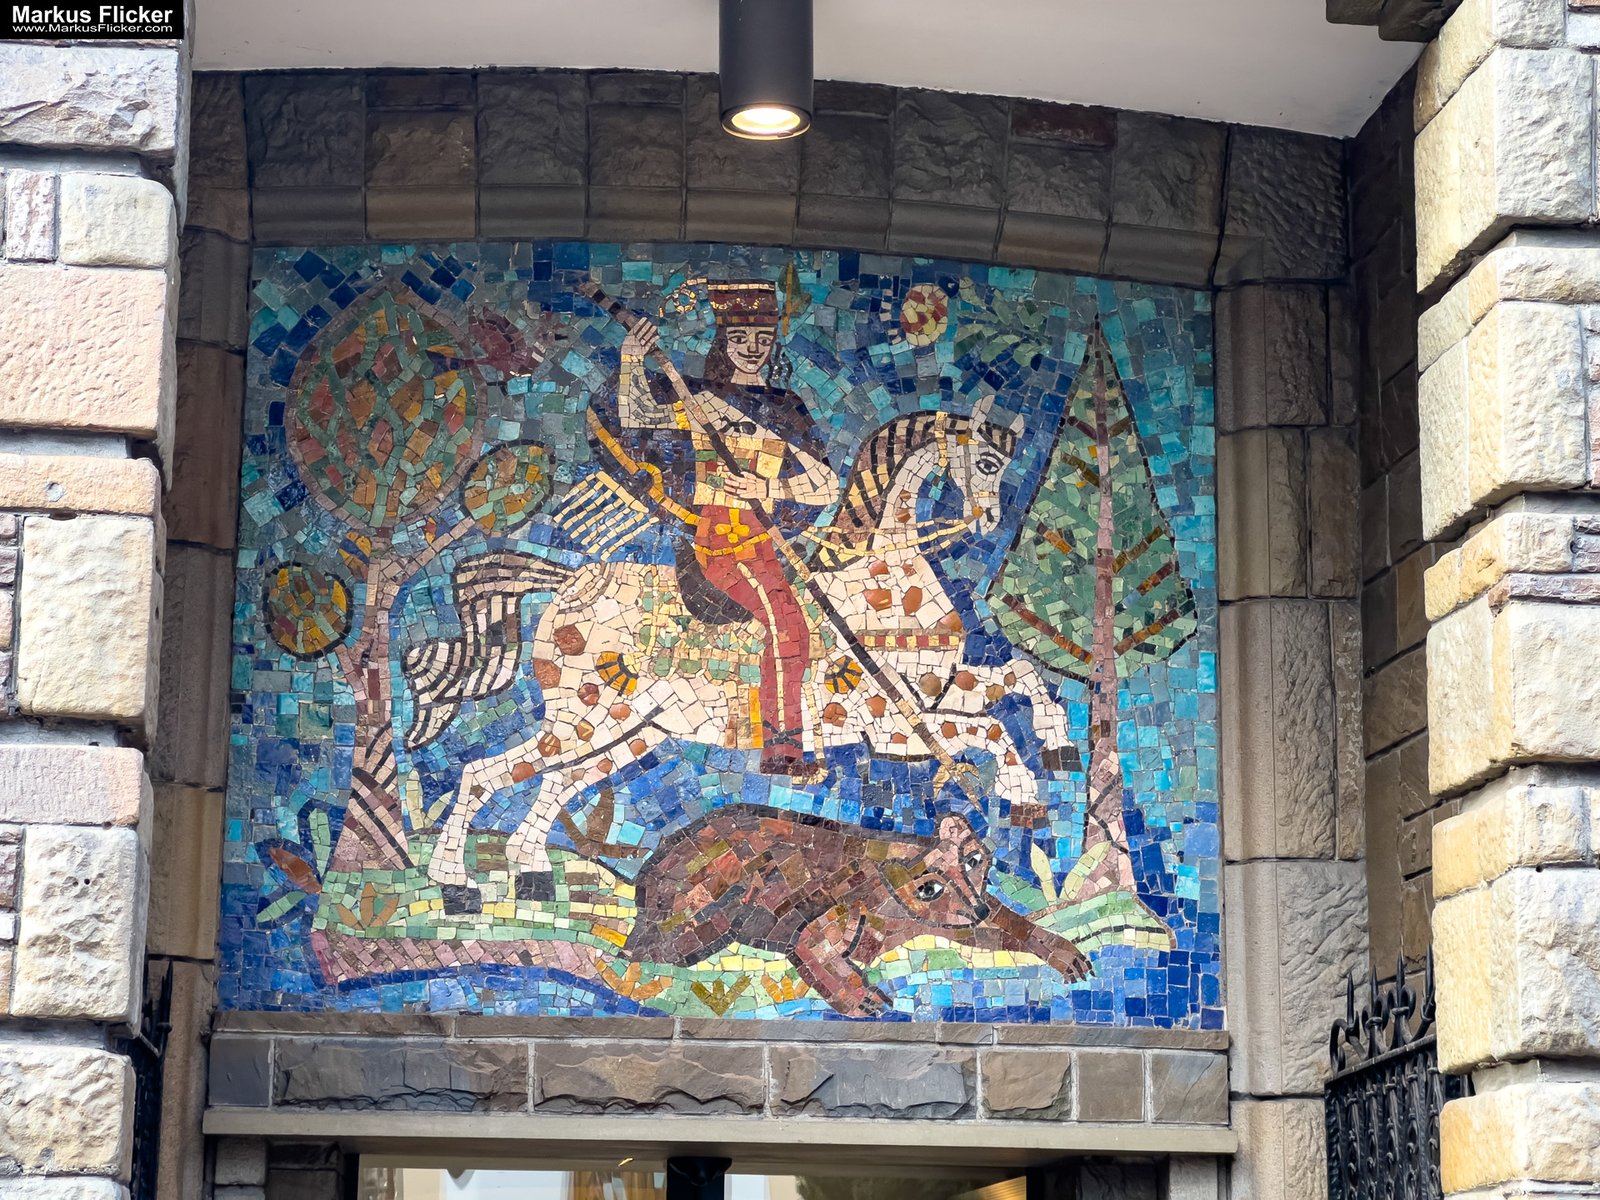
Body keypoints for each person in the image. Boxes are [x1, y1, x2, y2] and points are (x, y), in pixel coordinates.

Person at [614, 281, 832, 779]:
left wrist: (768, 486)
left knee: (797, 629)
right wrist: (631, 358)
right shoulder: (703, 401)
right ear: (723, 341)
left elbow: (824, 484)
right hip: (723, 541)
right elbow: (637, 416)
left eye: (763, 338)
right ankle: (782, 753)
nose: (752, 348)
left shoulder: (786, 406)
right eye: (740, 337)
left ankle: (785, 744)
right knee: (789, 629)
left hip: (763, 540)